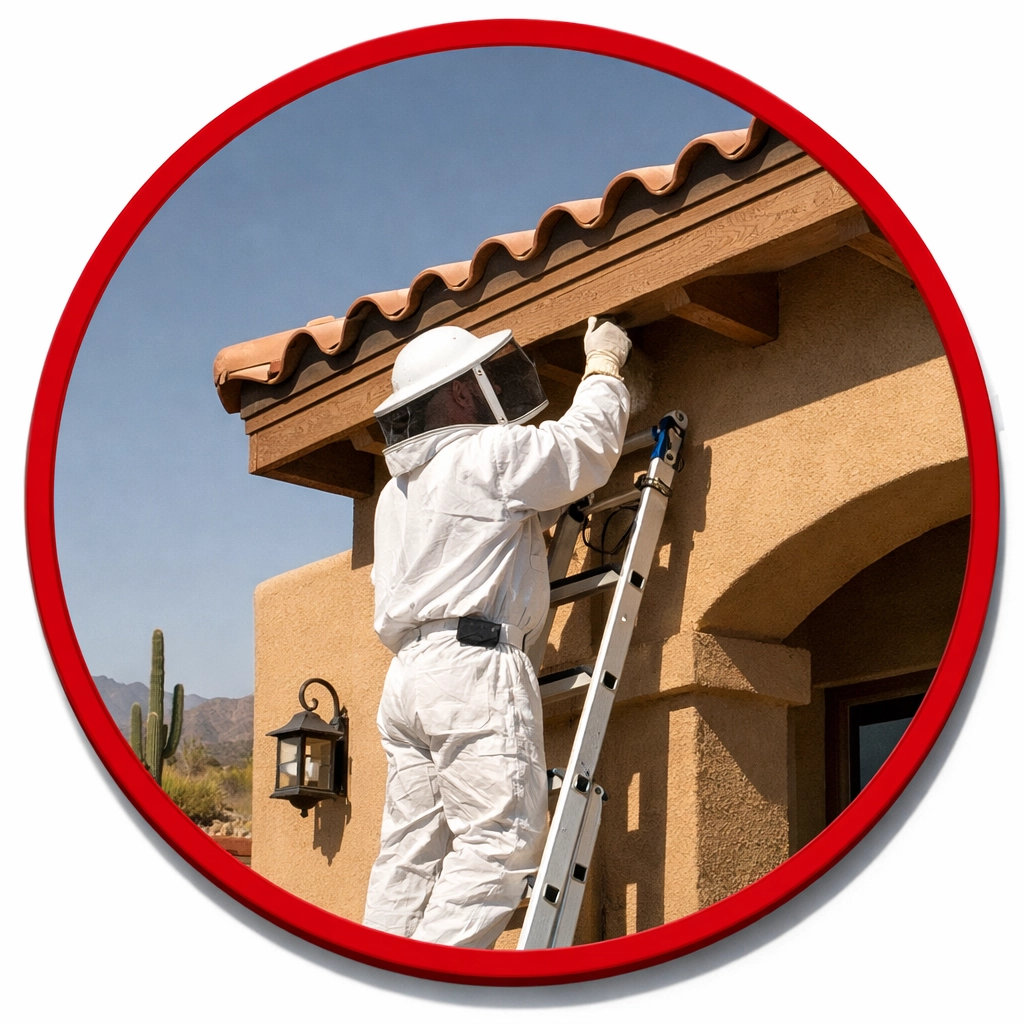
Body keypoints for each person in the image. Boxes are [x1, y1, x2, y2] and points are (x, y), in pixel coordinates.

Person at [362, 316, 632, 947]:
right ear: (460, 393)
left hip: (407, 680)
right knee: (502, 841)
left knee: (410, 857)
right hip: (471, 667)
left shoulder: (395, 493)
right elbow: (582, 449)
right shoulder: (485, 454)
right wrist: (604, 367)